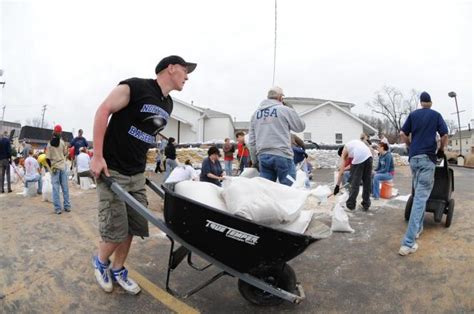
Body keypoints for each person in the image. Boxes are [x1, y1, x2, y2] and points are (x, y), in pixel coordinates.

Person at [90, 55, 196, 294]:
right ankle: (100, 262)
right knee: (115, 228)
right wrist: (97, 155)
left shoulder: (168, 104)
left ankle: (118, 268)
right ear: (171, 68)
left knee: (132, 227)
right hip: (113, 170)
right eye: (185, 70)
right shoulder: (136, 87)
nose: (187, 76)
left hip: (137, 173)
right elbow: (103, 110)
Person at [398, 91, 448, 256]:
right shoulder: (436, 115)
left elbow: (402, 134)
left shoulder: (413, 115)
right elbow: (444, 135)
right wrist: (441, 149)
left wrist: (411, 145)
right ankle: (408, 243)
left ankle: (418, 228)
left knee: (418, 193)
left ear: (421, 103)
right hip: (427, 159)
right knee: (420, 199)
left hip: (414, 159)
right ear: (431, 103)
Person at [248, 86, 305, 186]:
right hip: (282, 156)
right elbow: (300, 127)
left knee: (266, 189)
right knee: (288, 188)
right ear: (280, 97)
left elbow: (252, 141)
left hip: (264, 157)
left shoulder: (255, 115)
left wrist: (255, 160)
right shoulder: (284, 110)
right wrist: (291, 109)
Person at [334, 139, 373, 211]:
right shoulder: (352, 145)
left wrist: (337, 186)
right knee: (367, 182)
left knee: (355, 183)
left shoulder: (344, 152)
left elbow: (341, 172)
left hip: (360, 156)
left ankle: (350, 205)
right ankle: (366, 204)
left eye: (346, 157)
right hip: (369, 156)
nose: (346, 158)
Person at [46, 125, 71, 214]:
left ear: (54, 132)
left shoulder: (49, 144)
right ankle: (67, 206)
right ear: (60, 133)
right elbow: (65, 153)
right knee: (65, 188)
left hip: (54, 168)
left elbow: (47, 158)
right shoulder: (62, 142)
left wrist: (51, 168)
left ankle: (58, 209)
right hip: (62, 167)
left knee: (55, 189)